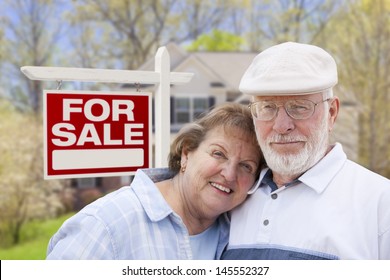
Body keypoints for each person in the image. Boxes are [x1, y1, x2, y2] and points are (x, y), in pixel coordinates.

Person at [221, 42, 390, 260]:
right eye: (267, 108)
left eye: (299, 107)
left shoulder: (380, 202)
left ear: (332, 112)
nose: (282, 126)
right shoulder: (232, 196)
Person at [46, 102, 263, 260]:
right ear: (186, 153)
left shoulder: (237, 234)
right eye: (218, 154)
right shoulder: (105, 225)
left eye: (246, 166)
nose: (230, 174)